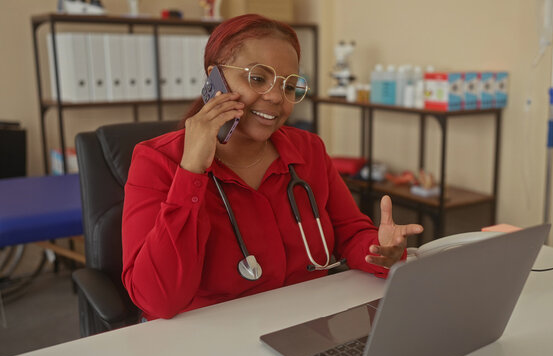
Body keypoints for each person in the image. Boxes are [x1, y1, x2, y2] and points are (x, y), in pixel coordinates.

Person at [122, 14, 423, 321]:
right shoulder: (157, 161)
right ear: (215, 78)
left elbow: (350, 234)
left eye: (290, 85)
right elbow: (157, 300)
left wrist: (380, 250)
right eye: (257, 78)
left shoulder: (309, 151)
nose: (277, 97)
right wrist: (191, 173)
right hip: (211, 337)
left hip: (307, 326)